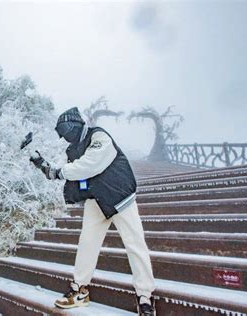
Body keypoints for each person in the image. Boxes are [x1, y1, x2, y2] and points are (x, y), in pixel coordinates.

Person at [30, 107, 156, 316]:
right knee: (87, 243)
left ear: (73, 126)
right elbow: (74, 175)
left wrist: (59, 172)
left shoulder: (98, 136)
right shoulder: (73, 149)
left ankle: (145, 296)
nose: (64, 138)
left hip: (120, 197)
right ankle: (79, 289)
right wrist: (46, 168)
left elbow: (90, 164)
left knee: (135, 244)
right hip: (96, 200)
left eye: (65, 132)